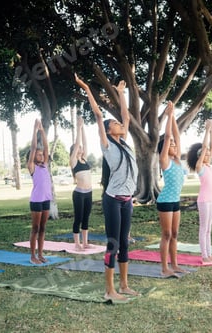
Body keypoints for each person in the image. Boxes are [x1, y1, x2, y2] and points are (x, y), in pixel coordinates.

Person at [75, 73, 139, 301]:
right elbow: (98, 114)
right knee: (112, 243)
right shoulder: (107, 146)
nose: (120, 124)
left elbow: (126, 117)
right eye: (115, 124)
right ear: (109, 131)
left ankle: (123, 285)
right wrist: (86, 87)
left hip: (127, 199)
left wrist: (122, 94)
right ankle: (109, 289)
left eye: (119, 123)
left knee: (123, 243)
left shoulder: (124, 143)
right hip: (112, 199)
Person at [156, 101, 187, 277]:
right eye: (172, 146)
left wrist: (173, 115)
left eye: (175, 145)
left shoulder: (176, 161)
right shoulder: (165, 161)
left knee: (175, 234)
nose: (174, 146)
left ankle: (174, 265)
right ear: (166, 150)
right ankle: (164, 268)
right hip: (165, 201)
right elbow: (168, 137)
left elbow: (176, 136)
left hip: (175, 201)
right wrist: (167, 117)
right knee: (166, 234)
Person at [186, 119, 212, 263]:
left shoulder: (208, 165)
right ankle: (204, 256)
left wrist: (211, 131)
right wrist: (206, 130)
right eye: (204, 154)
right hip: (204, 200)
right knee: (203, 228)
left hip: (210, 200)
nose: (207, 155)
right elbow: (206, 147)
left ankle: (209, 255)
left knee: (209, 230)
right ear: (200, 155)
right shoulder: (200, 167)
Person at [27, 119, 52, 264]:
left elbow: (46, 147)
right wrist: (35, 131)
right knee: (35, 228)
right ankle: (32, 256)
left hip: (46, 200)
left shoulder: (45, 165)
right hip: (36, 200)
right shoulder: (32, 166)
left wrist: (42, 131)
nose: (41, 155)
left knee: (43, 228)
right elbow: (33, 146)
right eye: (38, 154)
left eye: (42, 154)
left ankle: (41, 254)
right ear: (33, 156)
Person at [69, 115, 93, 250]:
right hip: (79, 194)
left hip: (89, 192)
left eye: (81, 148)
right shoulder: (74, 161)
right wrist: (78, 127)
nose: (81, 148)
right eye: (78, 148)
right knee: (78, 218)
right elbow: (78, 143)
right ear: (74, 151)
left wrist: (83, 127)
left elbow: (85, 142)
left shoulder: (84, 159)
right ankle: (77, 244)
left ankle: (85, 242)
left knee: (86, 218)